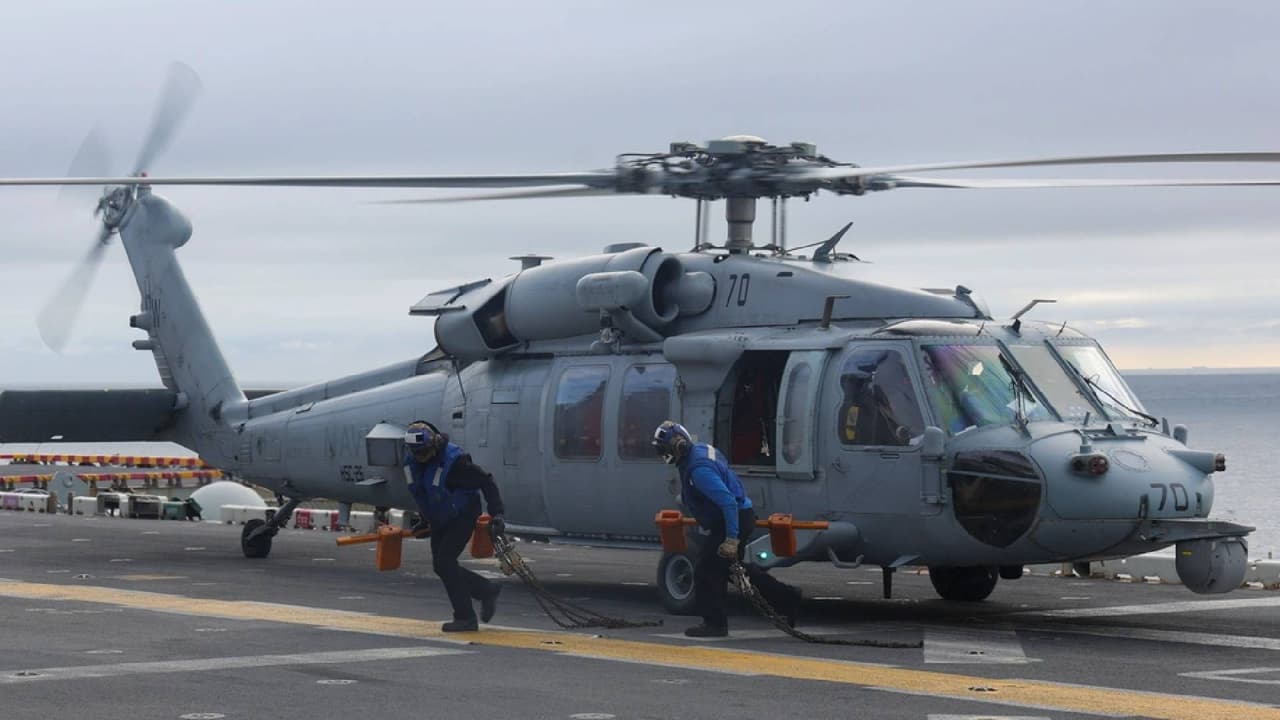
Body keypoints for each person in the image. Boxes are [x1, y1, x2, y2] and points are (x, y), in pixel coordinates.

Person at [652, 420, 802, 638]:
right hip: (739, 517)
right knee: (732, 570)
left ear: (677, 445)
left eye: (664, 449)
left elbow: (728, 502)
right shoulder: (702, 450)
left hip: (732, 520)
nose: (664, 454)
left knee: (706, 569)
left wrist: (731, 539)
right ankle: (788, 597)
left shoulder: (698, 471)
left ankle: (715, 623)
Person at [403, 420, 506, 632]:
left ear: (433, 444)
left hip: (463, 515)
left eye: (423, 452)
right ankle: (486, 589)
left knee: (445, 561)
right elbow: (423, 493)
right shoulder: (413, 462)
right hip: (441, 517)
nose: (420, 458)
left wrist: (497, 514)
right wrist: (424, 518)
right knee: (440, 565)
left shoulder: (456, 464)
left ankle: (465, 618)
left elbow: (486, 481)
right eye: (416, 453)